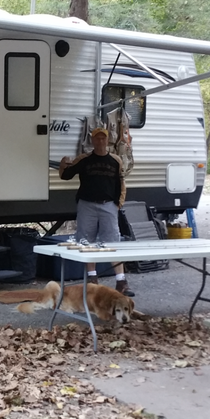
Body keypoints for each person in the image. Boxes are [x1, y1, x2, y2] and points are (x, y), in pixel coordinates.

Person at [58, 126, 133, 296]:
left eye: (103, 138)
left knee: (113, 241)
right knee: (86, 241)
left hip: (108, 205)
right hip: (87, 205)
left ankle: (121, 281)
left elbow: (121, 183)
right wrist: (62, 165)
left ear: (107, 140)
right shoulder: (84, 159)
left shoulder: (115, 160)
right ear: (92, 140)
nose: (100, 141)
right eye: (97, 138)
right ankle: (92, 279)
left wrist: (118, 203)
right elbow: (66, 175)